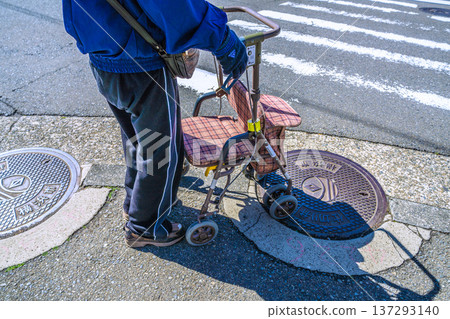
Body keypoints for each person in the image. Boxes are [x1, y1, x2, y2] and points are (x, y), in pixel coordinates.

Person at [62, 0, 248, 247]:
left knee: (137, 140)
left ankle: (136, 204)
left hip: (102, 54)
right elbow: (172, 6)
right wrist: (223, 39)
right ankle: (145, 227)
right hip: (142, 61)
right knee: (161, 150)